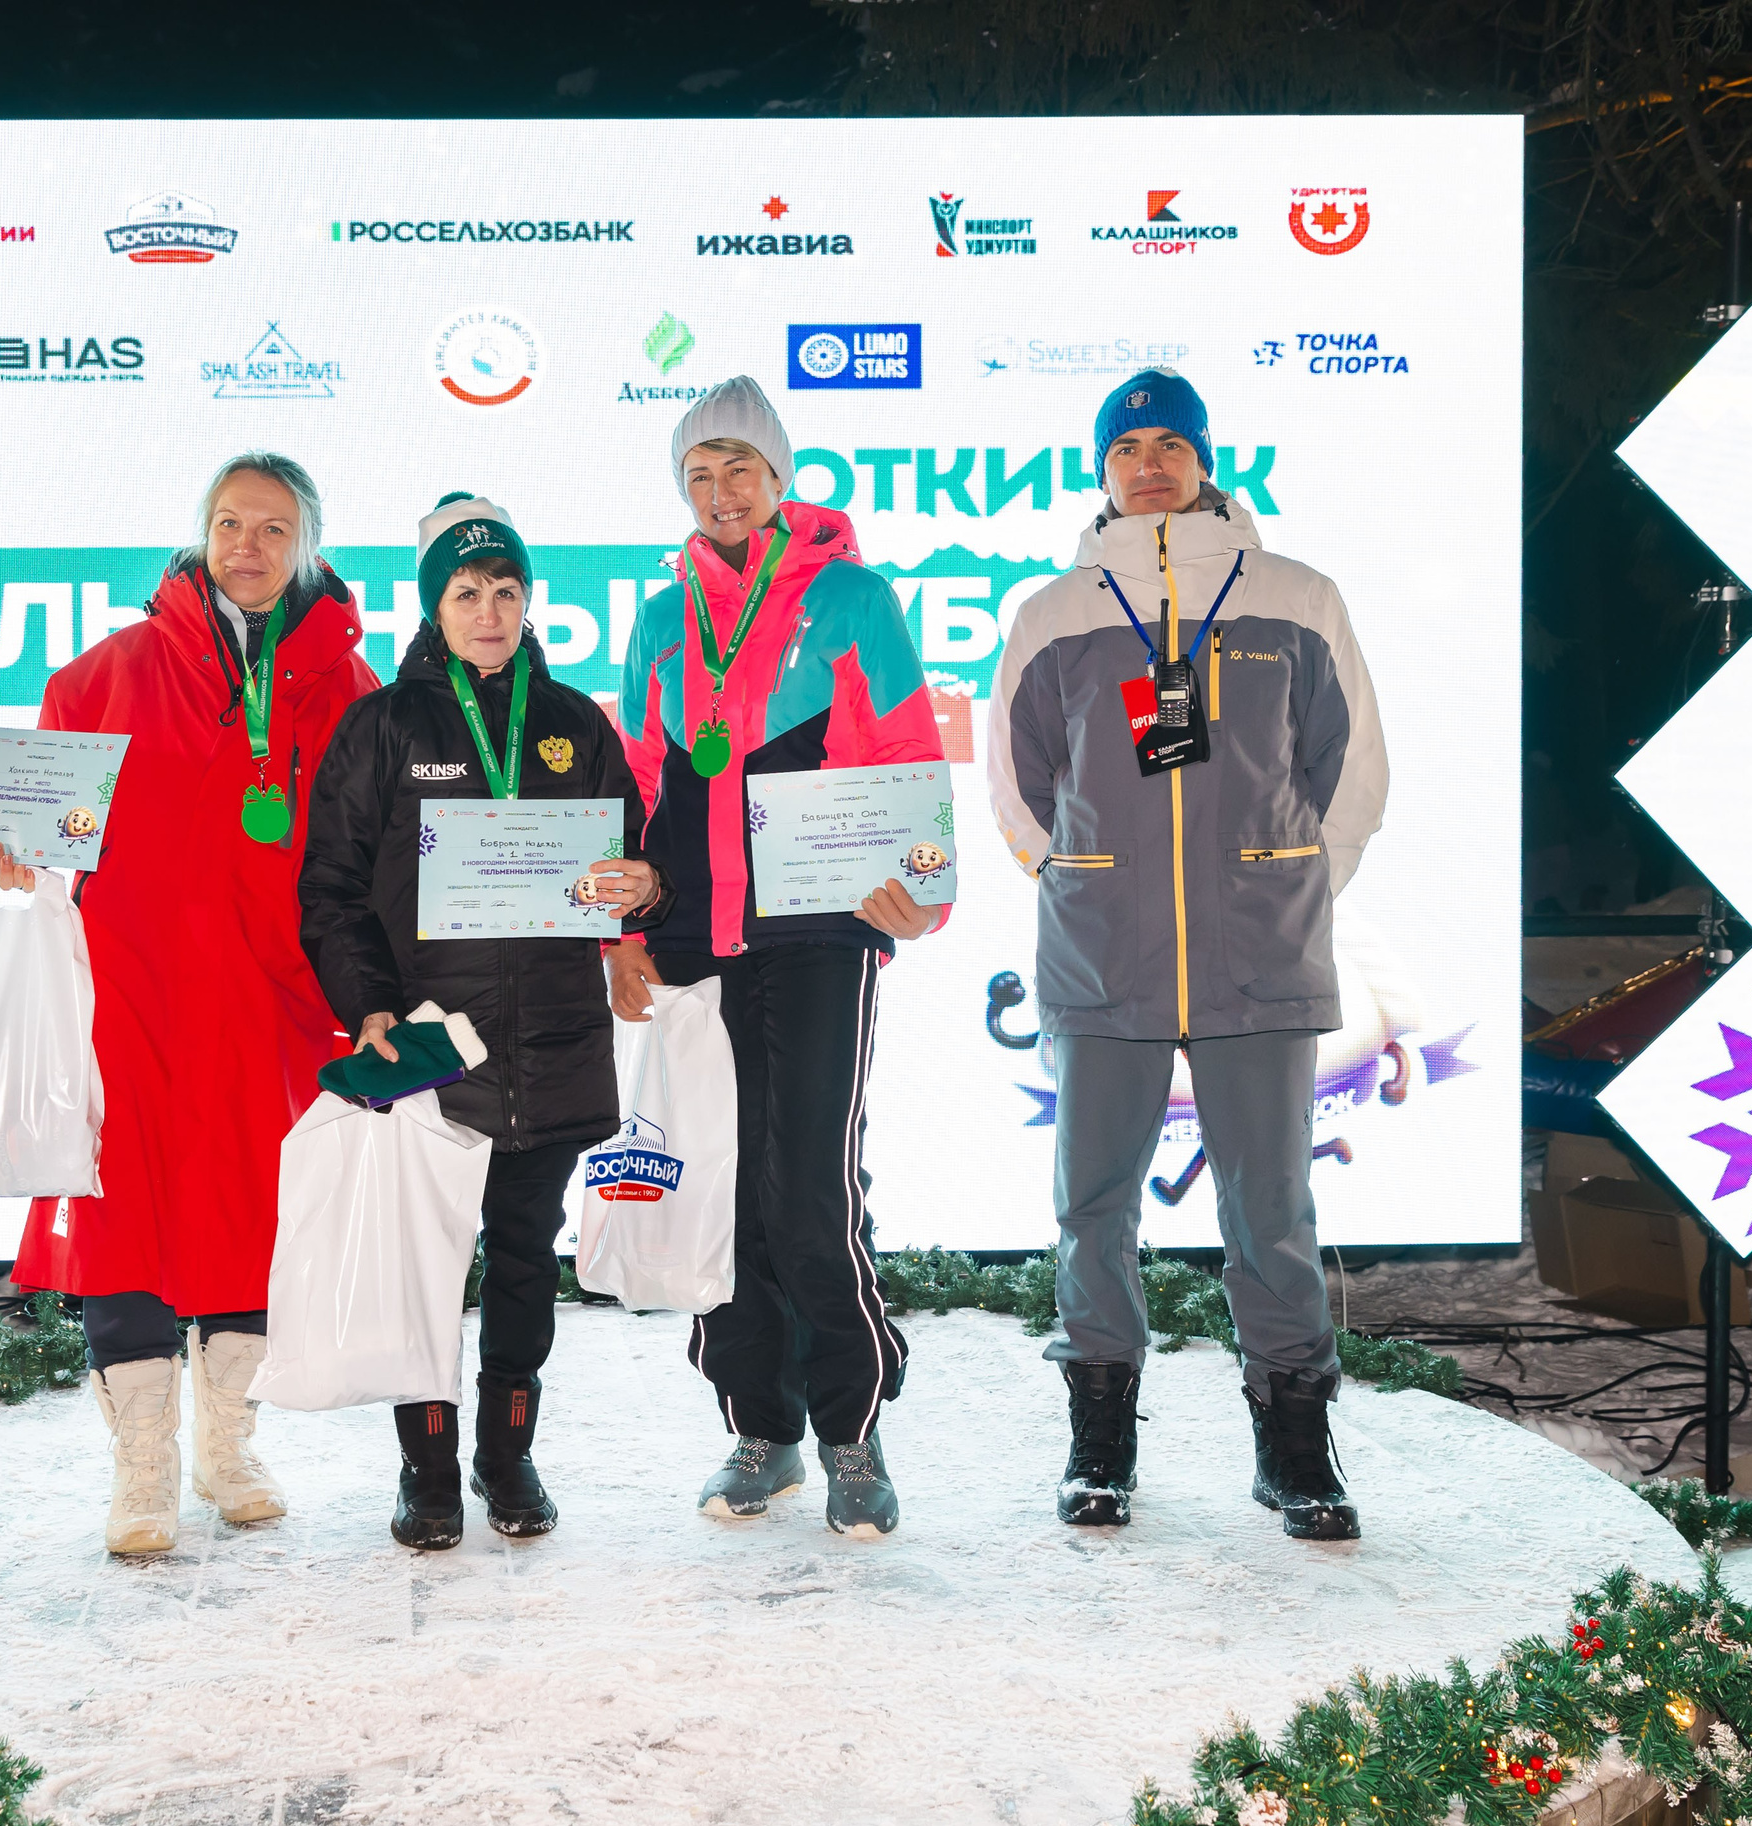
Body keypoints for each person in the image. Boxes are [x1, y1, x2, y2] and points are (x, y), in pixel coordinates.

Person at [987, 369, 1388, 1540]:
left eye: (1170, 443)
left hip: (1256, 954)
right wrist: (1071, 876)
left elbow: (1349, 777)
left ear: (1206, 459)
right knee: (1093, 1206)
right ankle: (1099, 1443)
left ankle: (1295, 1452)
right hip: (1101, 950)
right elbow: (1015, 786)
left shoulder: (1297, 597)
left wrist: (1284, 888)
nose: (1148, 464)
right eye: (1128, 447)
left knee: (1271, 1206)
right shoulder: (1053, 612)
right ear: (1101, 467)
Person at [0, 452, 378, 1557]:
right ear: (201, 536)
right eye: (228, 524)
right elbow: (35, 825)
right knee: (126, 1217)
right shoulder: (106, 676)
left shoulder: (352, 693)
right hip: (135, 996)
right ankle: (142, 1468)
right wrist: (16, 849)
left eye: (271, 527)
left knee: (256, 1216)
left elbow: (380, 859)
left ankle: (226, 1445)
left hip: (279, 1001)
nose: (247, 547)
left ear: (307, 542)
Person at [610, 376, 949, 1540]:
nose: (720, 492)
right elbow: (642, 785)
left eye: (739, 468)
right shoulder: (662, 616)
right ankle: (761, 1428)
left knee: (809, 1189)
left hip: (817, 941)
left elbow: (906, 752)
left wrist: (921, 889)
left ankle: (852, 1432)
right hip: (699, 943)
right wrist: (625, 932)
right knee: (721, 1191)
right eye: (698, 474)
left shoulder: (853, 596)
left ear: (780, 476)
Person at [300, 493, 667, 1551]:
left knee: (519, 1258)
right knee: (426, 1269)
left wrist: (643, 891)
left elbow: (629, 871)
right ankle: (424, 1471)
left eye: (507, 589)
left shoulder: (573, 725)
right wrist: (367, 1005)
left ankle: (504, 1455)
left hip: (549, 1043)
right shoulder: (381, 727)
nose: (490, 611)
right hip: (425, 1052)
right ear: (434, 606)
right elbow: (329, 892)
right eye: (467, 592)